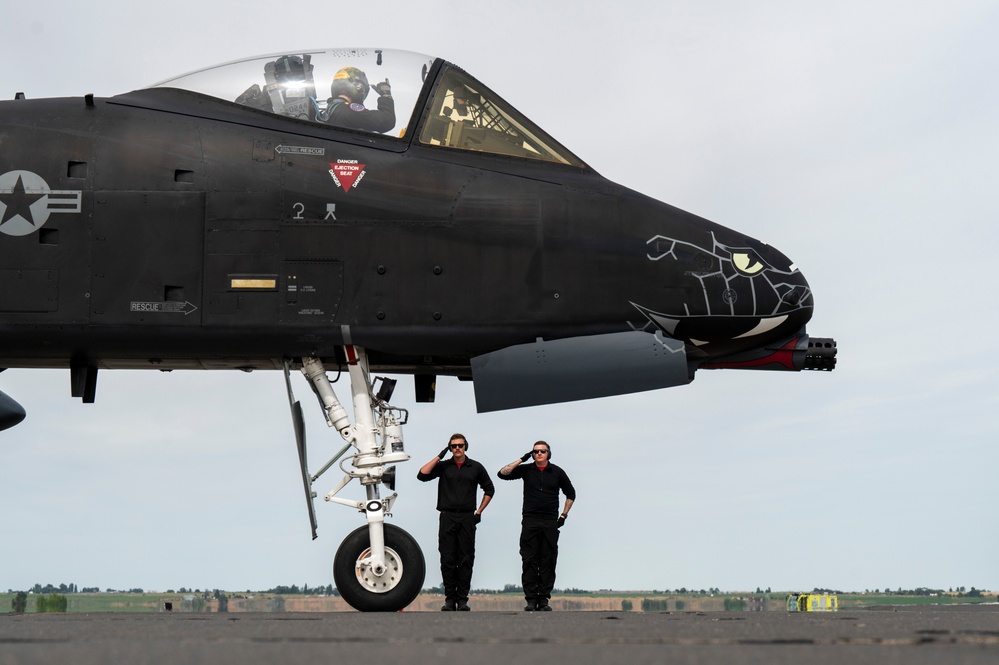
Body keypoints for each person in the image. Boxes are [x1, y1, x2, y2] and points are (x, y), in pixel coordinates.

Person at [417, 433, 495, 611]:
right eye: (453, 446)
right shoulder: (444, 466)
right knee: (448, 558)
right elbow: (422, 475)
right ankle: (450, 599)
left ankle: (463, 600)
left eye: (460, 445)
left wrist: (479, 511)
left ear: (466, 446)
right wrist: (439, 456)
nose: (457, 448)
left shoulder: (475, 467)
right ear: (450, 448)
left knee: (466, 558)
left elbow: (489, 489)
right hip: (447, 516)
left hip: (468, 517)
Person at [498, 441, 575, 611]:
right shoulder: (526, 470)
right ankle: (531, 600)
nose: (539, 453)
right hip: (530, 521)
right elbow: (502, 474)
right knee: (529, 560)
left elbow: (571, 493)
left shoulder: (557, 472)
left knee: (548, 560)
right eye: (536, 451)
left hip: (550, 521)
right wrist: (522, 458)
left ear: (548, 453)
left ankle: (544, 599)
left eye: (542, 451)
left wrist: (563, 515)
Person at [321, 66, 395, 133]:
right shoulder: (349, 111)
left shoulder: (328, 111)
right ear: (358, 87)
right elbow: (387, 122)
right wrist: (386, 95)